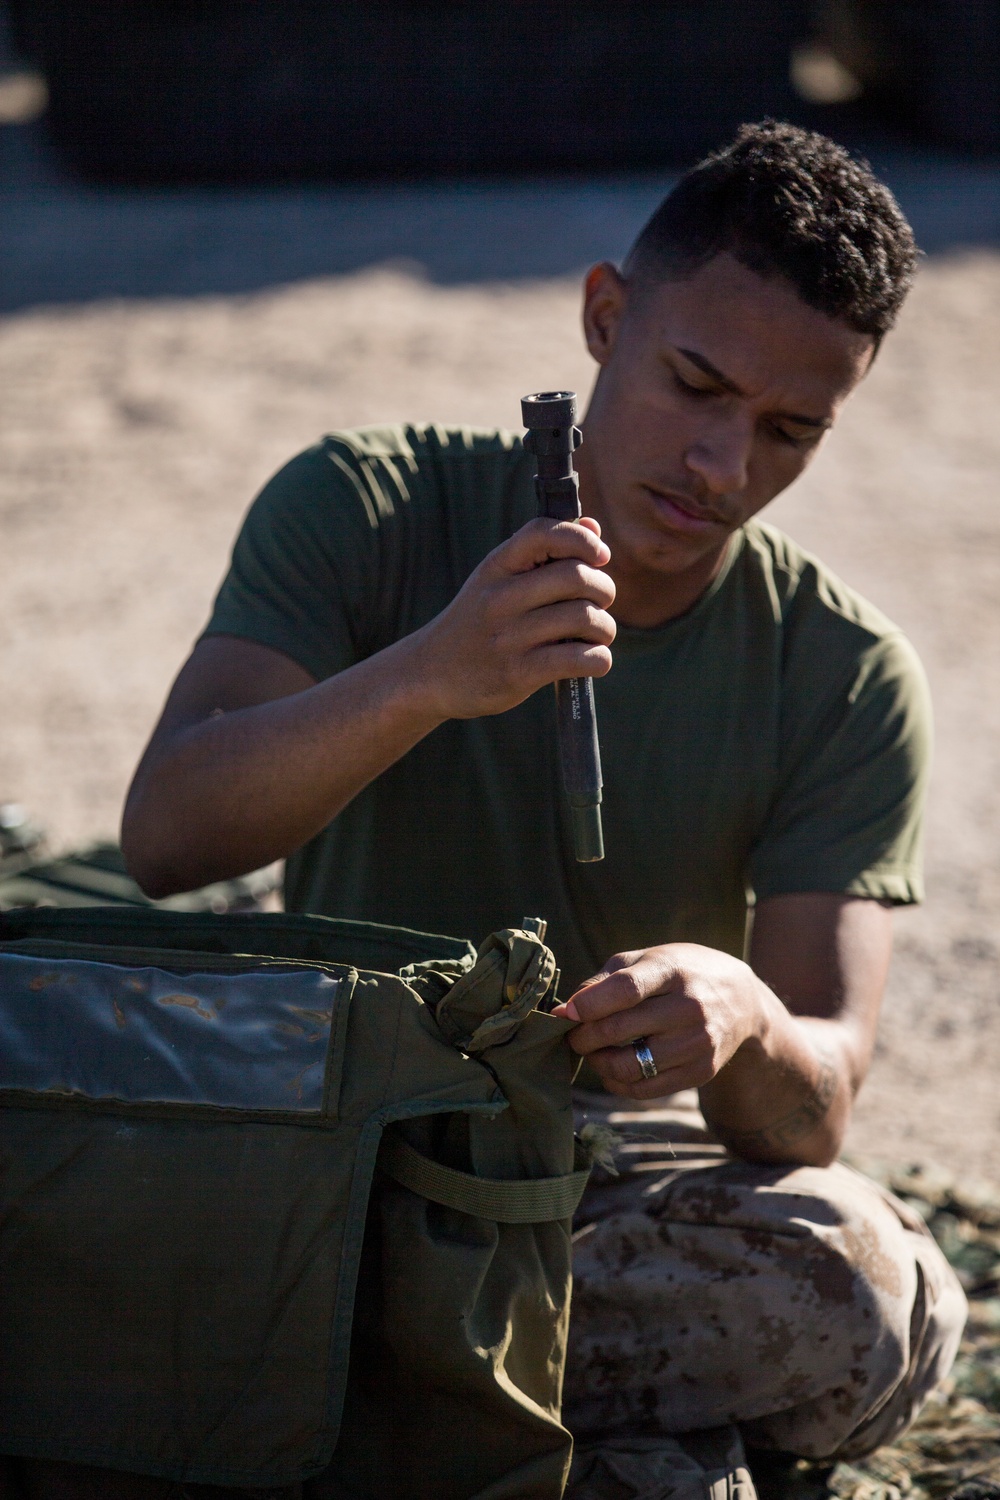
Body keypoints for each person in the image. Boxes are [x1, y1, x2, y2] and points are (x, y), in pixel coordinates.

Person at [121, 123, 966, 1493]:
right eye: (695, 384)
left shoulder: (842, 672)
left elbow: (816, 1106)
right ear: (604, 317)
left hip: (606, 1208)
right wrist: (431, 675)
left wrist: (745, 1020)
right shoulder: (366, 507)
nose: (723, 467)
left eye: (789, 431)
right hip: (334, 1166)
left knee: (869, 1294)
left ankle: (375, 1403)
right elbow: (168, 838)